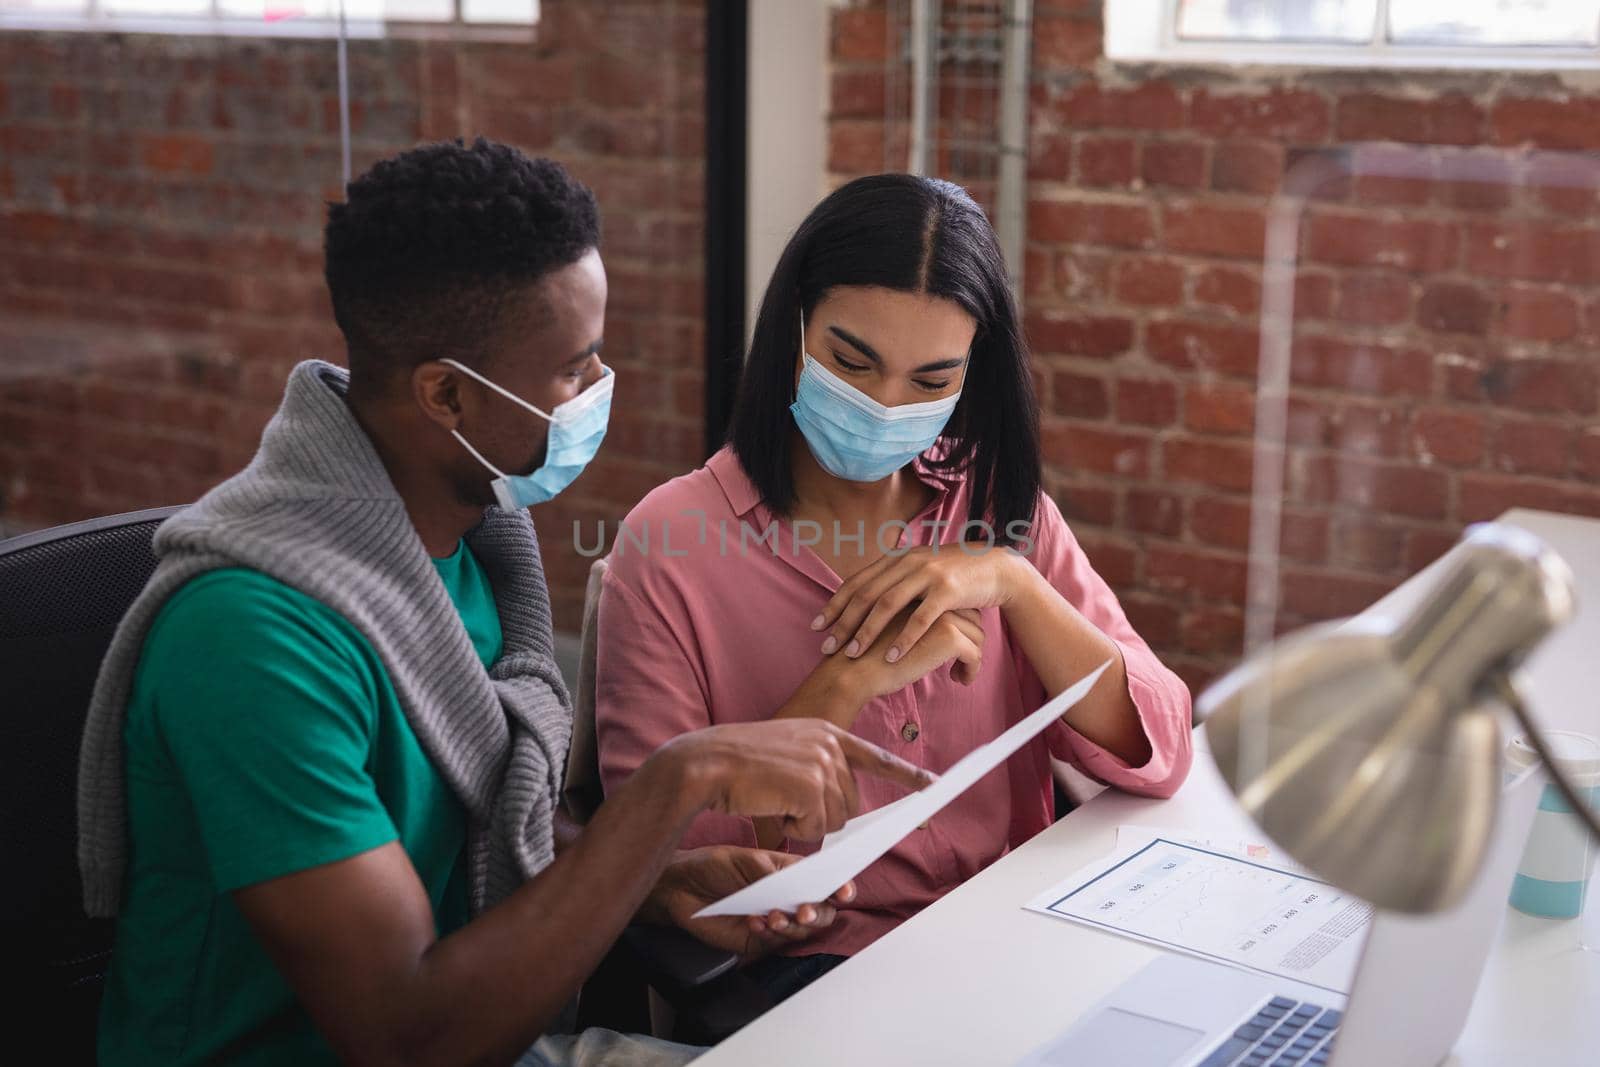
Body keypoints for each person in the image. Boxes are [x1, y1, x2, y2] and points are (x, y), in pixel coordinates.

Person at [75, 139, 934, 1067]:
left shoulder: (471, 543)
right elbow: (409, 1036)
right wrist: (674, 788)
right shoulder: (255, 639)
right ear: (445, 393)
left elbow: (480, 829)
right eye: (576, 368)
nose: (599, 393)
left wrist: (654, 884)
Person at [596, 173, 1195, 1003]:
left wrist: (1015, 583)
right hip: (818, 975)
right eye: (851, 360)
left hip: (1016, 932)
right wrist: (844, 683)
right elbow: (666, 866)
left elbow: (1158, 746)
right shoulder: (667, 544)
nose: (883, 404)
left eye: (930, 380)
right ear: (793, 326)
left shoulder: (995, 508)